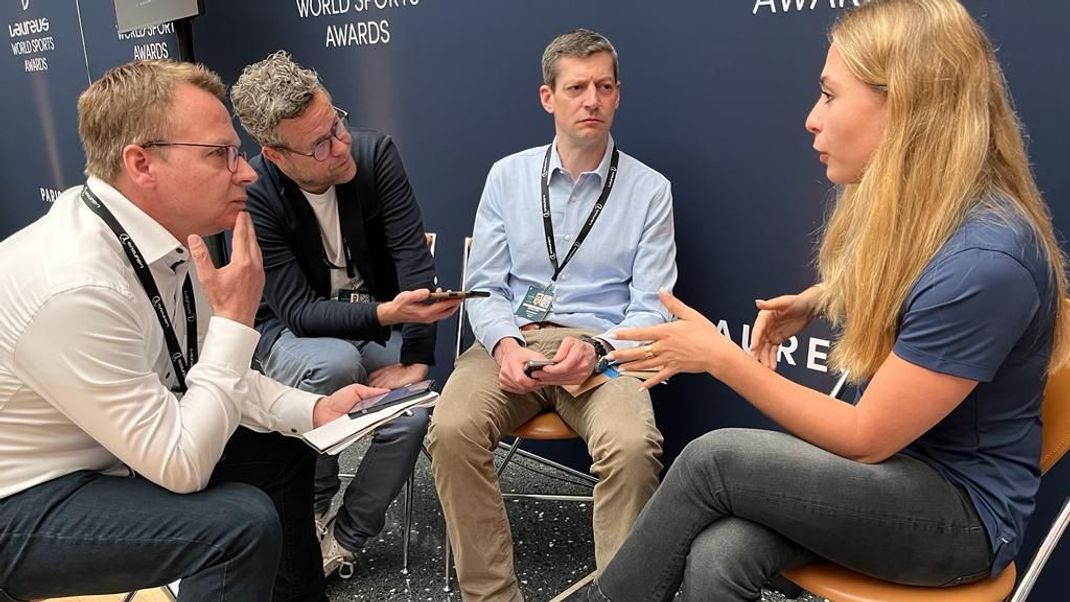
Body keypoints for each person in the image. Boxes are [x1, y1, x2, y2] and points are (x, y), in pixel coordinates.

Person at [585, 1, 1070, 600]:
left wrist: (719, 356)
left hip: (961, 516)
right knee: (721, 553)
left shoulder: (987, 260)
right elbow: (911, 279)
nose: (813, 119)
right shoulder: (943, 213)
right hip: (896, 477)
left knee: (714, 460)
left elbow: (867, 435)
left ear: (908, 104)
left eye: (830, 96)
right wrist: (820, 298)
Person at [0, 60, 390, 602]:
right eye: (220, 155)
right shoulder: (75, 285)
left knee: (283, 452)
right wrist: (234, 319)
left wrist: (312, 411)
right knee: (236, 526)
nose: (248, 172)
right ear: (141, 163)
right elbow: (180, 464)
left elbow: (210, 373)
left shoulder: (154, 238)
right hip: (21, 501)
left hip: (103, 454)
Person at [428, 29, 678, 602]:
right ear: (549, 98)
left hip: (600, 351)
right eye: (576, 87)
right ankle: (491, 597)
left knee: (634, 445)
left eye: (604, 86)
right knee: (450, 429)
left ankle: (621, 595)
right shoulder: (507, 177)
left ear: (618, 95)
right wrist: (505, 345)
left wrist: (597, 350)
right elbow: (484, 288)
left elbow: (652, 307)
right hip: (513, 340)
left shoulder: (650, 191)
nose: (591, 100)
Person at [230, 50, 459, 579]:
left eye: (336, 123)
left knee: (412, 407)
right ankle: (310, 506)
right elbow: (300, 312)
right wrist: (384, 314)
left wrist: (418, 362)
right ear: (277, 155)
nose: (340, 145)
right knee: (332, 365)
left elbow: (412, 262)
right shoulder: (256, 193)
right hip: (287, 331)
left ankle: (346, 537)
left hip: (373, 320)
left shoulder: (374, 154)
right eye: (319, 143)